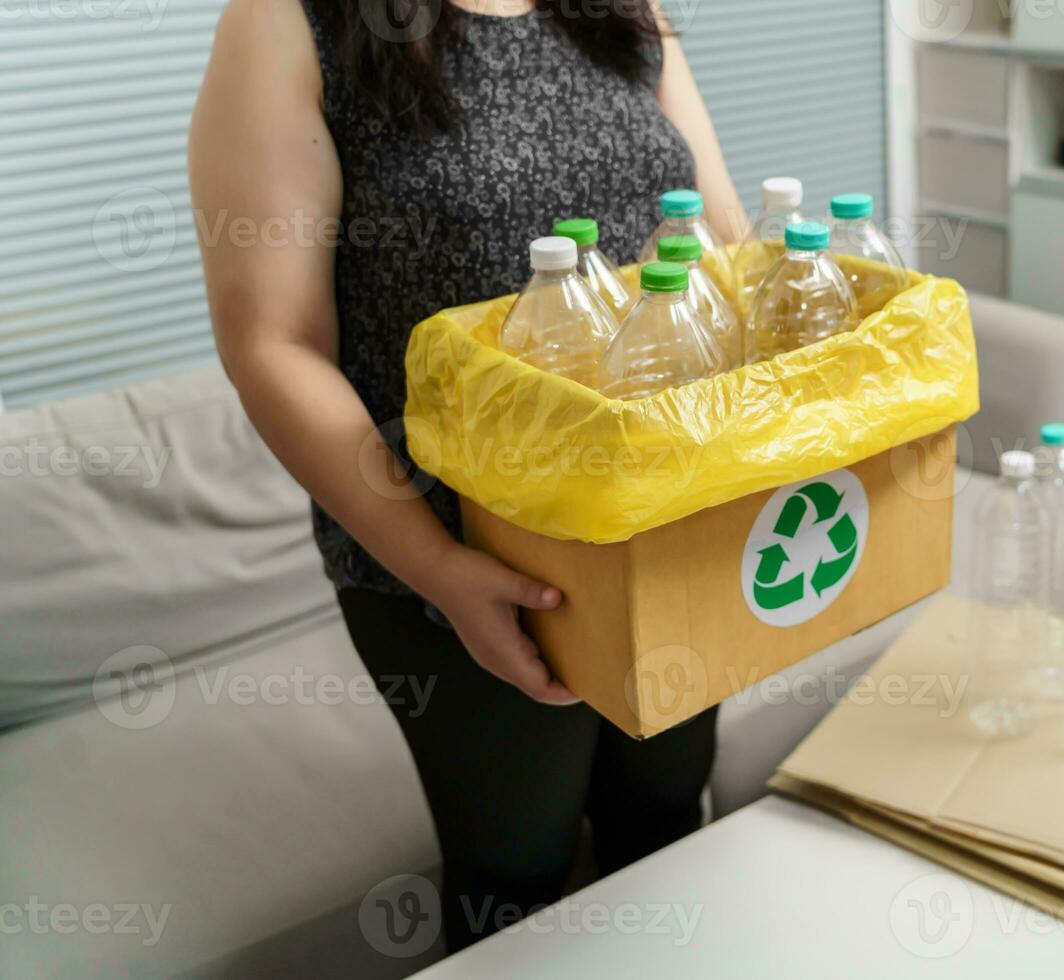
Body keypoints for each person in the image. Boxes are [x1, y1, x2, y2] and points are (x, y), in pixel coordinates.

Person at [189, 0, 745, 949]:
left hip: (660, 518)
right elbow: (272, 343)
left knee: (662, 821)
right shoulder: (292, 18)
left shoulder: (621, 8)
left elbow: (720, 234)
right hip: (459, 548)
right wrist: (438, 568)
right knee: (513, 876)